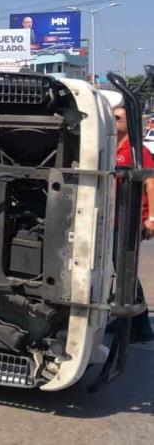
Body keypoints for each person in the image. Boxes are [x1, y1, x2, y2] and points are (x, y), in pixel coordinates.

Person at [114, 106, 154, 344]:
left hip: (132, 219)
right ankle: (122, 321)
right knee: (116, 271)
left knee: (124, 271)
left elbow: (151, 182)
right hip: (114, 218)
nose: (113, 120)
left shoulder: (137, 151)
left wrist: (152, 219)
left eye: (118, 117)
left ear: (130, 123)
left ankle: (139, 325)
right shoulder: (112, 147)